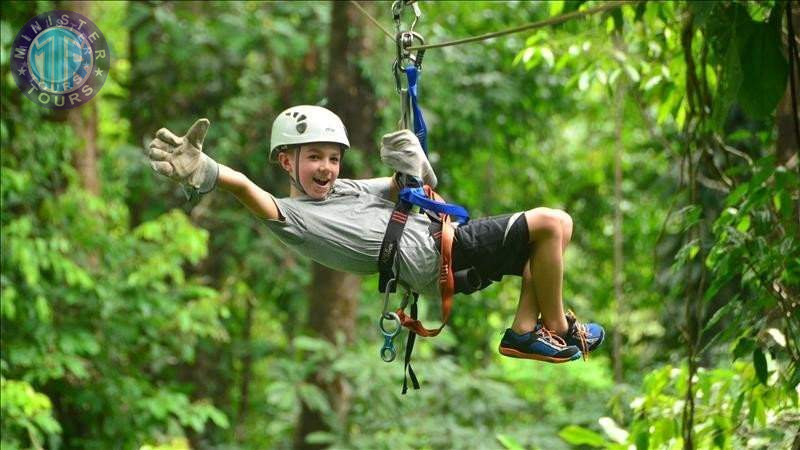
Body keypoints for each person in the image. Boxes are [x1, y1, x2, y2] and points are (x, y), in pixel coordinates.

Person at [145, 105, 604, 363]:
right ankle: (559, 328)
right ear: (286, 161)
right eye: (314, 158)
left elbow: (399, 187)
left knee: (542, 253)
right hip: (439, 255)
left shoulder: (342, 190)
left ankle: (525, 331)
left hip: (444, 247)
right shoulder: (292, 218)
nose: (327, 168)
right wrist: (205, 170)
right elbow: (247, 188)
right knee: (554, 222)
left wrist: (410, 159)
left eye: (333, 158)